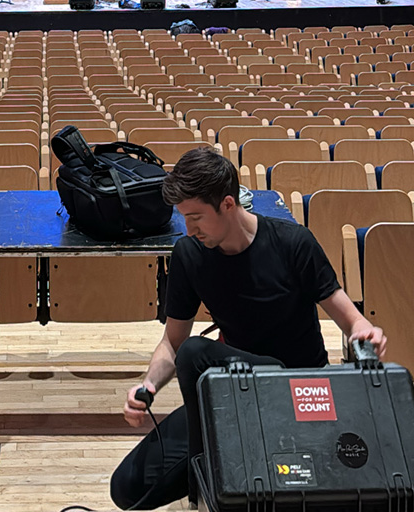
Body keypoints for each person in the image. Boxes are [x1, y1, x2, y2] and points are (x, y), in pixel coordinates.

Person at [110, 149, 386, 510]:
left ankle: (213, 472)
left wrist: (366, 333)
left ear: (227, 204)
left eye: (196, 218)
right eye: (184, 219)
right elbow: (172, 343)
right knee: (127, 487)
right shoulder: (189, 254)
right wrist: (147, 385)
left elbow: (352, 320)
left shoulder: (293, 242)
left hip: (299, 390)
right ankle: (219, 459)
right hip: (236, 391)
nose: (189, 230)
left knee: (197, 352)